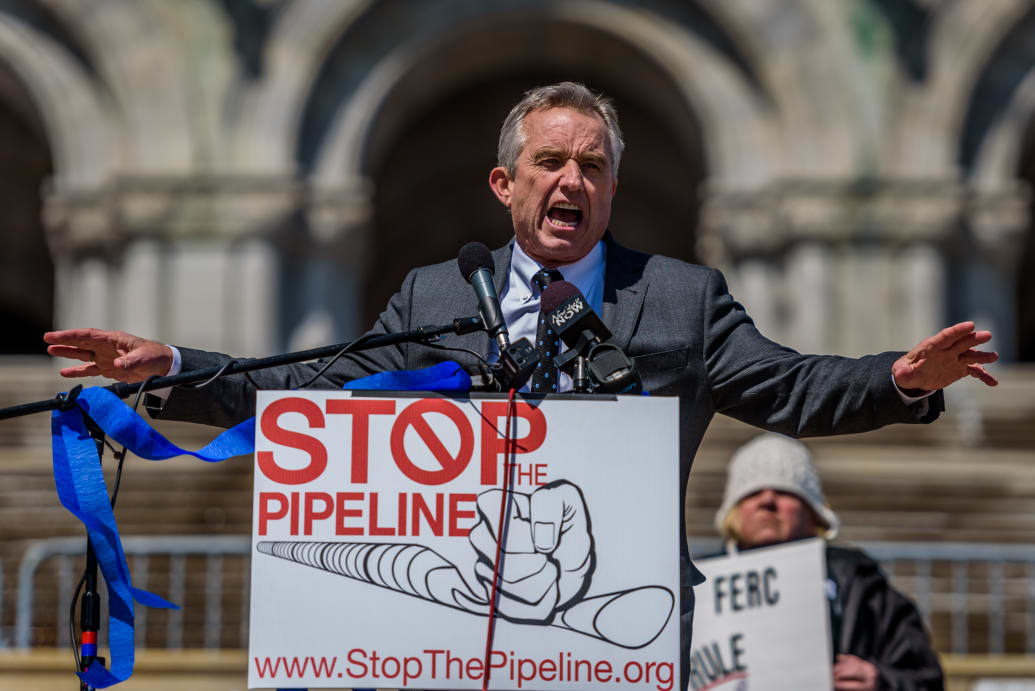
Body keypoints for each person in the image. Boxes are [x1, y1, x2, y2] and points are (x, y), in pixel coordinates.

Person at [45, 82, 994, 690]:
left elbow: (788, 386)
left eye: (593, 165)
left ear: (612, 190)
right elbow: (319, 385)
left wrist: (899, 378)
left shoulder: (676, 298)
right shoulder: (436, 292)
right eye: (550, 161)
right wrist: (174, 368)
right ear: (506, 183)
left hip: (620, 633)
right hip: (452, 626)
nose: (571, 179)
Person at [714, 433, 945, 691]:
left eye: (784, 491)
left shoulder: (862, 587)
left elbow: (927, 680)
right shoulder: (696, 592)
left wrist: (882, 681)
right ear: (734, 512)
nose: (767, 501)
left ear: (814, 512)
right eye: (752, 492)